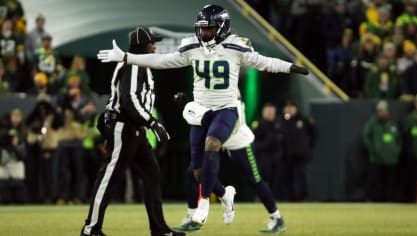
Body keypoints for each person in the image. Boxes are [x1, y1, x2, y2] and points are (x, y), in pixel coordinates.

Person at [97, 4, 309, 226]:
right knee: (196, 170)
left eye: (209, 29)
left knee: (221, 150)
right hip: (201, 112)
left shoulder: (235, 47)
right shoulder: (192, 47)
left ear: (222, 28)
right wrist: (126, 57)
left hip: (228, 112)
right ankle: (224, 195)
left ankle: (207, 203)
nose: (203, 33)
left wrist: (291, 67)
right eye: (202, 28)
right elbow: (161, 61)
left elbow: (265, 62)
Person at [80, 26, 184, 236]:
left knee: (152, 174)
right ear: (143, 46)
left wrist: (146, 124)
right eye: (152, 43)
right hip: (124, 127)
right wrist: (152, 122)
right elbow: (129, 99)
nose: (155, 47)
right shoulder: (134, 64)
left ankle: (159, 229)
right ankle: (91, 229)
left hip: (135, 129)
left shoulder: (139, 64)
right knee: (109, 178)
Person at [173, 92, 287, 233]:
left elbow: (219, 116)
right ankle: (193, 216)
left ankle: (277, 218)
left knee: (254, 180)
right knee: (194, 172)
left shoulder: (229, 93)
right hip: (216, 141)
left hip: (238, 141)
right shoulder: (208, 90)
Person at [362, 100, 401, 202]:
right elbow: (366, 137)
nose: (383, 113)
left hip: (391, 159)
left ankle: (389, 200)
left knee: (390, 182)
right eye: (381, 111)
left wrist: (396, 150)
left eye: (385, 111)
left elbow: (399, 139)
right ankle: (373, 199)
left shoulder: (392, 124)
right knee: (375, 181)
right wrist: (373, 150)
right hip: (376, 159)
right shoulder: (372, 123)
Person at [280, 101, 316, 201]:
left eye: (291, 107)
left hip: (300, 155)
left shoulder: (304, 120)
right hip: (286, 156)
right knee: (287, 178)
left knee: (301, 177)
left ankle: (302, 198)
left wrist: (307, 147)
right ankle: (289, 198)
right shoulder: (281, 121)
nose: (289, 110)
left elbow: (314, 135)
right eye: (287, 107)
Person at [253, 103, 284, 199]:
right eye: (268, 111)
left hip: (277, 157)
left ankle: (275, 199)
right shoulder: (258, 124)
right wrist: (268, 142)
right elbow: (254, 143)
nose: (270, 114)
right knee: (262, 178)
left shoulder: (279, 124)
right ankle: (261, 198)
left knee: (277, 180)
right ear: (263, 112)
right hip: (263, 157)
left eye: (272, 112)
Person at [402, 93, 417, 202]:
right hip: (414, 157)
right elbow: (405, 138)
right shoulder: (410, 119)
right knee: (412, 178)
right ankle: (412, 198)